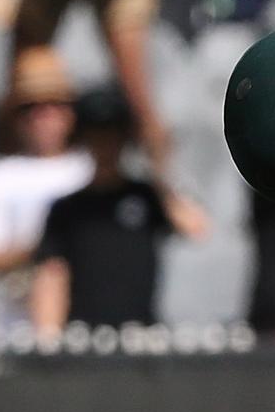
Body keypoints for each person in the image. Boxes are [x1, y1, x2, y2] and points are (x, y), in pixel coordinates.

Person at [29, 86, 203, 333]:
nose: (105, 143)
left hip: (141, 336)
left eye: (113, 134)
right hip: (83, 337)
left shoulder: (147, 196)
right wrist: (49, 338)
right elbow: (51, 273)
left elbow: (195, 226)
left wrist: (158, 166)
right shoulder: (66, 209)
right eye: (96, 134)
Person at [0, 47, 93, 329]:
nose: (43, 116)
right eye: (30, 108)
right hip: (15, 328)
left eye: (54, 105)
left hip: (88, 324)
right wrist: (43, 250)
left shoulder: (89, 171)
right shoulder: (0, 177)